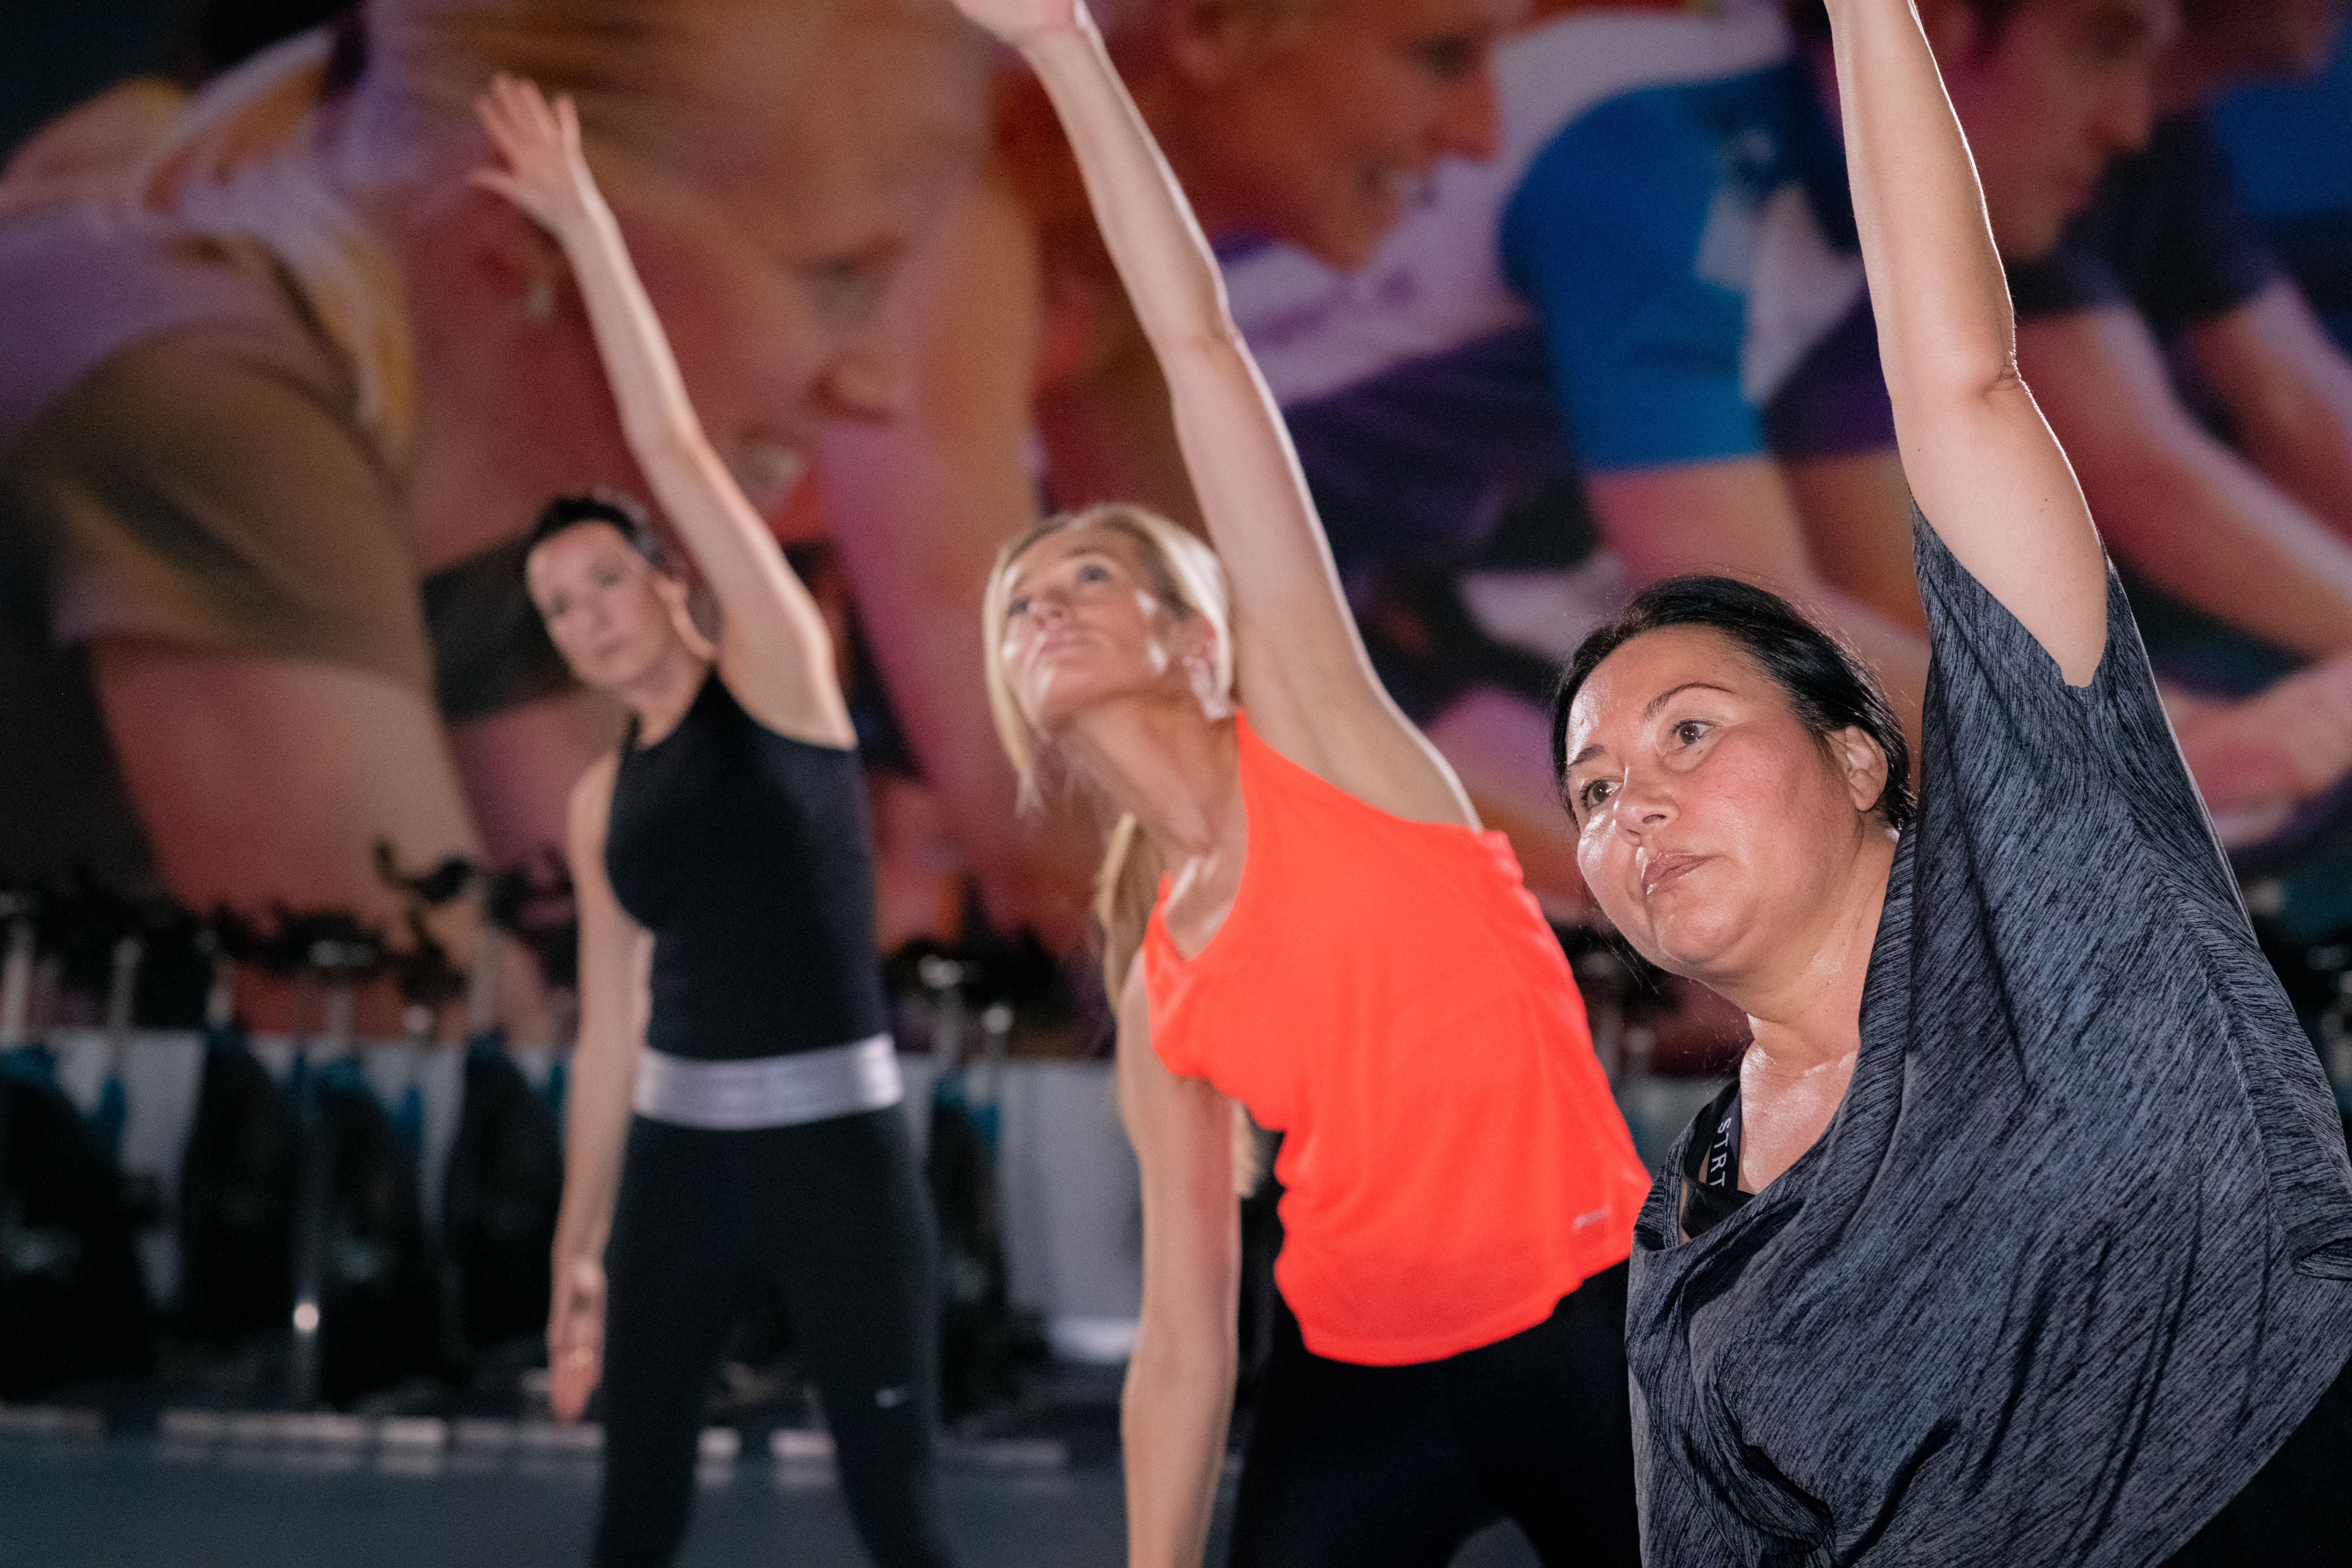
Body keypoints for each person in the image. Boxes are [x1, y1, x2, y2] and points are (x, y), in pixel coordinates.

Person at [1553, 0, 2352, 1560]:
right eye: (1587, 790)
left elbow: (1964, 391)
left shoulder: (2067, 915)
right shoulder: (1688, 1223)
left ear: (1861, 756)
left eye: (1688, 733)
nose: (1626, 803)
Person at [954, 0, 1653, 1563]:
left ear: (1199, 635)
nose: (1042, 607)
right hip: (1353, 1380)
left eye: (1081, 575)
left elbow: (1198, 342)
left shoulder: (1328, 736)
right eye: (1019, 605)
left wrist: (1066, 49)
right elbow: (1184, 1334)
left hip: (1579, 1327)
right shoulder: (1161, 978)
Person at [0, 1, 981, 1034]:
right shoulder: (202, 398)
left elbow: (667, 984)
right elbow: (397, 1020)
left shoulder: (499, 474)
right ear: (526, 224)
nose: (881, 388)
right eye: (835, 277)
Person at [474, 79, 955, 1568]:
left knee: (895, 1510)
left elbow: (674, 444)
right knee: (635, 1506)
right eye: (557, 607)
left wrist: (582, 226)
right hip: (678, 1155)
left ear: (668, 583)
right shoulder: (600, 795)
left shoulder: (781, 681)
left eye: (603, 579)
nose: (585, 613)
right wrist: (578, 1243)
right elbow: (610, 1024)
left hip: (838, 1148)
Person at [818, 0, 1533, 947]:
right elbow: (1034, 815)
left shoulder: (1082, 239)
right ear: (1209, 29)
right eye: (1441, 57)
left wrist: (1608, 910)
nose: (1482, 136)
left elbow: (1271, 708)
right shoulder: (960, 197)